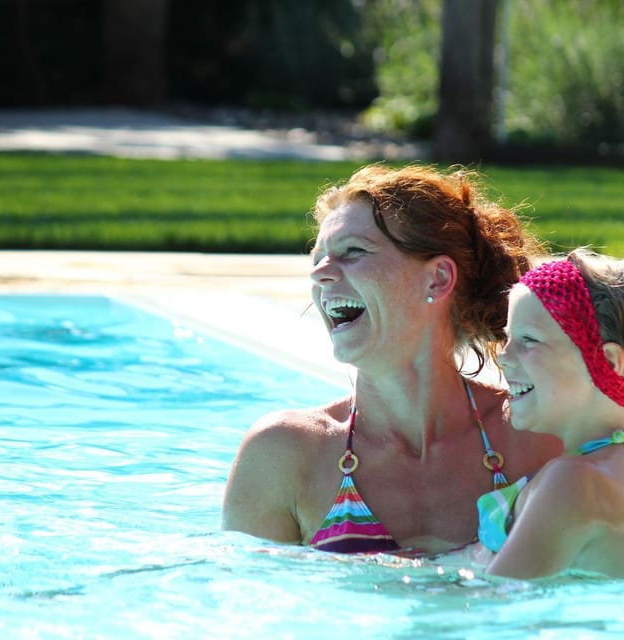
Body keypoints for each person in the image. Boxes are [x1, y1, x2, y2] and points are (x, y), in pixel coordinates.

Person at [222, 164, 562, 554]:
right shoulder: (284, 454)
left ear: (437, 279)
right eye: (318, 259)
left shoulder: (537, 437)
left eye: (352, 252)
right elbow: (248, 602)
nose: (321, 275)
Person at [475, 248, 624, 579]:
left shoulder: (572, 482)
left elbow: (498, 600)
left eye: (528, 340)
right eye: (508, 338)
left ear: (609, 362)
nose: (504, 357)